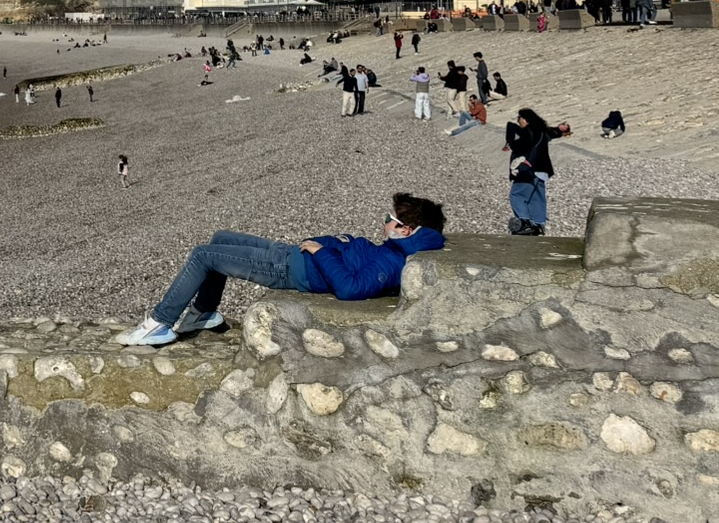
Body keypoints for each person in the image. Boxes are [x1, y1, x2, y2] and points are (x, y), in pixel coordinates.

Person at [114, 193, 448, 346]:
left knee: (204, 254)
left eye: (391, 219)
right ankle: (202, 313)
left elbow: (349, 288)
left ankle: (159, 323)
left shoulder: (392, 262)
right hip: (289, 254)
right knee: (220, 237)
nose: (385, 221)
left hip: (288, 270)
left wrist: (321, 250)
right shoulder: (393, 248)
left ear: (406, 230)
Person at [505, 109, 566, 235]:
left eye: (520, 119)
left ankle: (525, 223)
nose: (519, 122)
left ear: (525, 119)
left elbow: (522, 145)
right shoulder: (542, 131)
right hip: (542, 171)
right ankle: (538, 225)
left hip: (529, 170)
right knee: (536, 198)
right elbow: (553, 133)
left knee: (517, 195)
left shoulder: (529, 131)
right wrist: (560, 129)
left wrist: (511, 143)